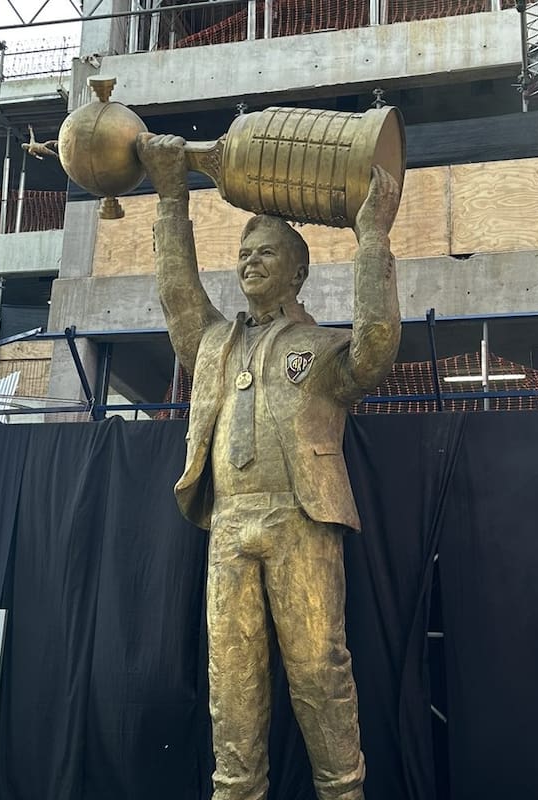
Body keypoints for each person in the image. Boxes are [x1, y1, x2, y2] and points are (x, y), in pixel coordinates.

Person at [136, 132, 401, 800]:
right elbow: (178, 297)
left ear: (297, 273)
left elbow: (375, 350)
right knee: (231, 683)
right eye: (244, 254)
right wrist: (170, 198)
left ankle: (343, 792)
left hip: (300, 521)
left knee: (318, 673)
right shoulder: (214, 344)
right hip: (229, 525)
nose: (250, 262)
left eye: (266, 253)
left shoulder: (321, 347)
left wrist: (372, 237)